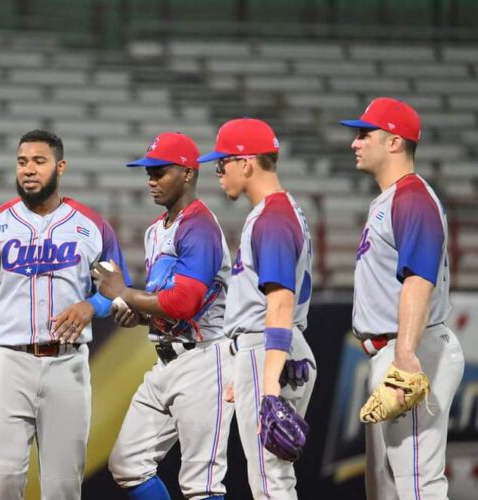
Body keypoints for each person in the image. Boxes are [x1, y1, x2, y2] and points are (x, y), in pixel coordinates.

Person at [0, 129, 131, 500]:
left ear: (60, 167)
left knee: (63, 484)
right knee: (5, 479)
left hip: (67, 364)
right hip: (6, 360)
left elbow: (116, 293)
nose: (28, 169)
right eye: (22, 161)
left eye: (39, 161)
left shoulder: (91, 226)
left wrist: (91, 305)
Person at [92, 132, 234, 500]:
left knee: (201, 484)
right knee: (128, 463)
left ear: (187, 174)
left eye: (160, 171)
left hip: (206, 360)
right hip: (166, 359)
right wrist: (139, 316)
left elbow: (185, 303)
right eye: (148, 172)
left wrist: (123, 293)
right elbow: (167, 304)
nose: (151, 180)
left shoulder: (200, 226)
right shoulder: (156, 230)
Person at [340, 98, 464, 499]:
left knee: (417, 485)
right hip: (397, 347)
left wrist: (406, 357)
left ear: (394, 142)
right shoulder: (391, 198)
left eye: (364, 134)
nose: (355, 143)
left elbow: (418, 281)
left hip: (412, 347)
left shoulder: (412, 198)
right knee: (385, 486)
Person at [198, 118, 316, 499]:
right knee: (274, 476)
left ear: (246, 163)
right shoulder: (280, 211)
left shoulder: (273, 217)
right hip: (272, 347)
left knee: (270, 481)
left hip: (268, 347)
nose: (218, 173)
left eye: (222, 164)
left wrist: (267, 386)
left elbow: (279, 303)